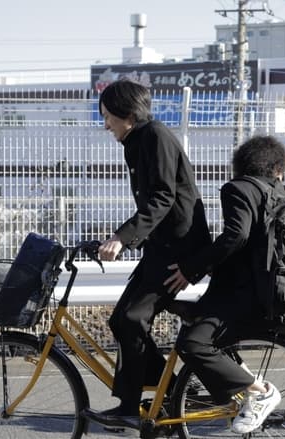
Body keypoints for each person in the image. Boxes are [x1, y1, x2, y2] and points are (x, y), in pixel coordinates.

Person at [83, 79, 212, 428]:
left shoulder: (154, 136)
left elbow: (161, 198)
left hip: (179, 250)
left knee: (131, 318)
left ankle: (132, 405)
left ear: (126, 114)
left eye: (108, 115)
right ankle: (169, 391)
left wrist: (122, 238)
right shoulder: (136, 142)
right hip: (162, 246)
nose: (106, 123)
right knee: (119, 319)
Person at [163, 135, 285, 434]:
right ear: (277, 169)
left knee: (192, 343)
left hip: (241, 296)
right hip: (274, 293)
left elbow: (236, 235)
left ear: (241, 165)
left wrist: (192, 269)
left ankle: (259, 391)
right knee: (192, 321)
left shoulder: (239, 189)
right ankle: (228, 393)